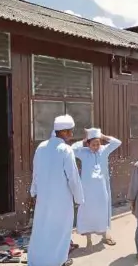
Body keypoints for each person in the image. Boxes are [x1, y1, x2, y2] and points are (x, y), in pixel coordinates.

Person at [28, 114, 85, 266]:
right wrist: (79, 198)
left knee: (42, 229)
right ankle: (58, 261)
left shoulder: (41, 147)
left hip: (44, 198)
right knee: (60, 231)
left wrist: (33, 191)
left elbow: (36, 172)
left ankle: (36, 261)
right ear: (64, 132)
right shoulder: (65, 150)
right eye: (70, 131)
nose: (72, 134)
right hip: (61, 200)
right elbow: (73, 177)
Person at [71, 128, 122, 249]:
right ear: (88, 144)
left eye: (98, 143)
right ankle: (88, 239)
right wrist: (84, 140)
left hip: (102, 189)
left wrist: (103, 136)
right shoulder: (84, 152)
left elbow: (117, 142)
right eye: (93, 144)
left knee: (102, 210)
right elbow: (72, 149)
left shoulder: (104, 150)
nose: (96, 146)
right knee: (87, 212)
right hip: (87, 190)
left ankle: (105, 235)